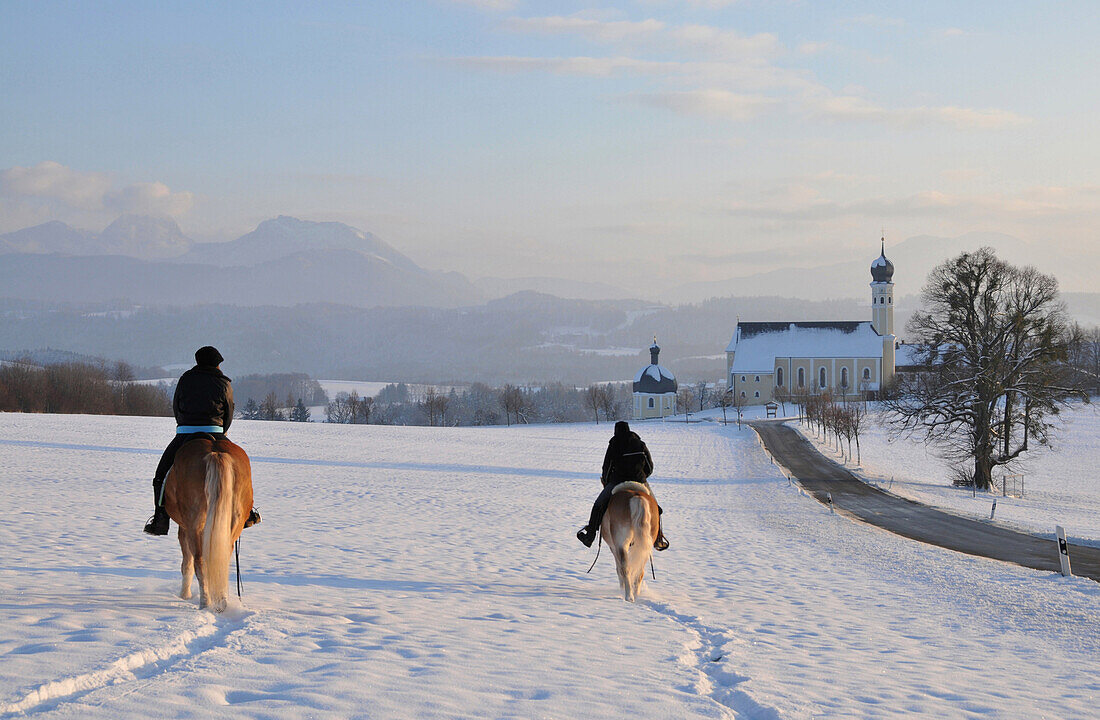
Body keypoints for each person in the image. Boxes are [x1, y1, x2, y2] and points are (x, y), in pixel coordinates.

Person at [143, 346, 261, 536]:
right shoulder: (224, 382)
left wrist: (184, 425)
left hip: (185, 433)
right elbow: (229, 412)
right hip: (216, 431)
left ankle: (160, 518)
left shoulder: (185, 380)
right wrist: (222, 432)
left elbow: (177, 406)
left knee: (161, 476)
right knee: (242, 472)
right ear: (217, 364)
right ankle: (247, 513)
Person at [576, 420, 669, 551]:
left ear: (616, 431)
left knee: (598, 506)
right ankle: (658, 538)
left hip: (617, 481)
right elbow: (649, 466)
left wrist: (608, 481)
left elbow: (606, 467)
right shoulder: (640, 444)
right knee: (656, 508)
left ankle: (589, 536)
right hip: (639, 481)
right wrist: (642, 477)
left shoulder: (614, 444)